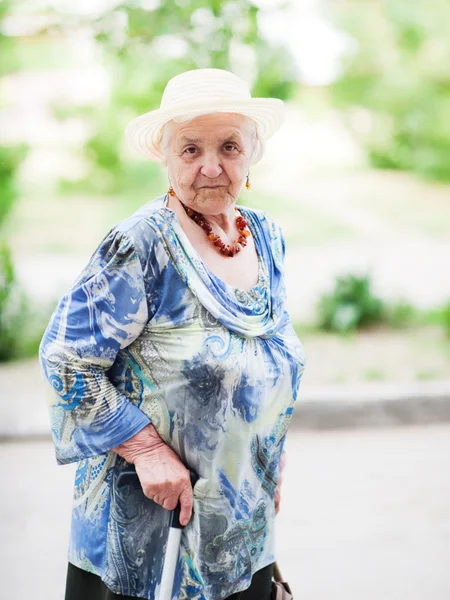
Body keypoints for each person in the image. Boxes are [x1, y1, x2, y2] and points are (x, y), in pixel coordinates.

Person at [39, 68, 307, 600]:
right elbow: (66, 359)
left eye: (229, 146)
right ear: (165, 157)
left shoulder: (268, 238)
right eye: (190, 150)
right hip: (149, 538)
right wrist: (145, 450)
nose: (212, 166)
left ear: (251, 154)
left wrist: (267, 456)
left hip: (240, 531)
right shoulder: (140, 245)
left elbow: (268, 362)